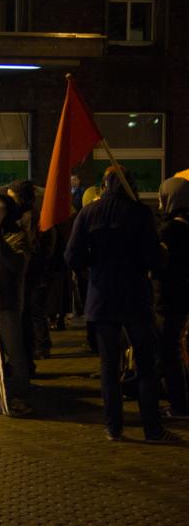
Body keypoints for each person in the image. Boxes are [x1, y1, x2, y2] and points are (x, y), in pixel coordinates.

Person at [65, 167, 180, 443]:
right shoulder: (140, 213)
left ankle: (113, 426)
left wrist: (92, 269)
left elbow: (71, 257)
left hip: (102, 298)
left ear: (104, 185)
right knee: (145, 365)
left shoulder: (89, 213)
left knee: (109, 365)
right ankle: (152, 428)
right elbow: (154, 258)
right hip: (135, 298)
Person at [0, 193, 33, 417]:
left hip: (8, 303)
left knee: (14, 352)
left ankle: (21, 395)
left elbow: (16, 264)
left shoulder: (17, 237)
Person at [152, 177, 189, 419]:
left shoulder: (170, 230)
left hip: (170, 298)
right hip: (183, 297)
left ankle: (179, 404)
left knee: (169, 351)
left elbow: (158, 263)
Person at [8, 179, 54, 363]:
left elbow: (33, 245)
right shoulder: (30, 215)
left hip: (34, 270)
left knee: (33, 309)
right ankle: (40, 345)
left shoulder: (30, 217)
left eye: (12, 197)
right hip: (38, 269)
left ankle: (40, 346)